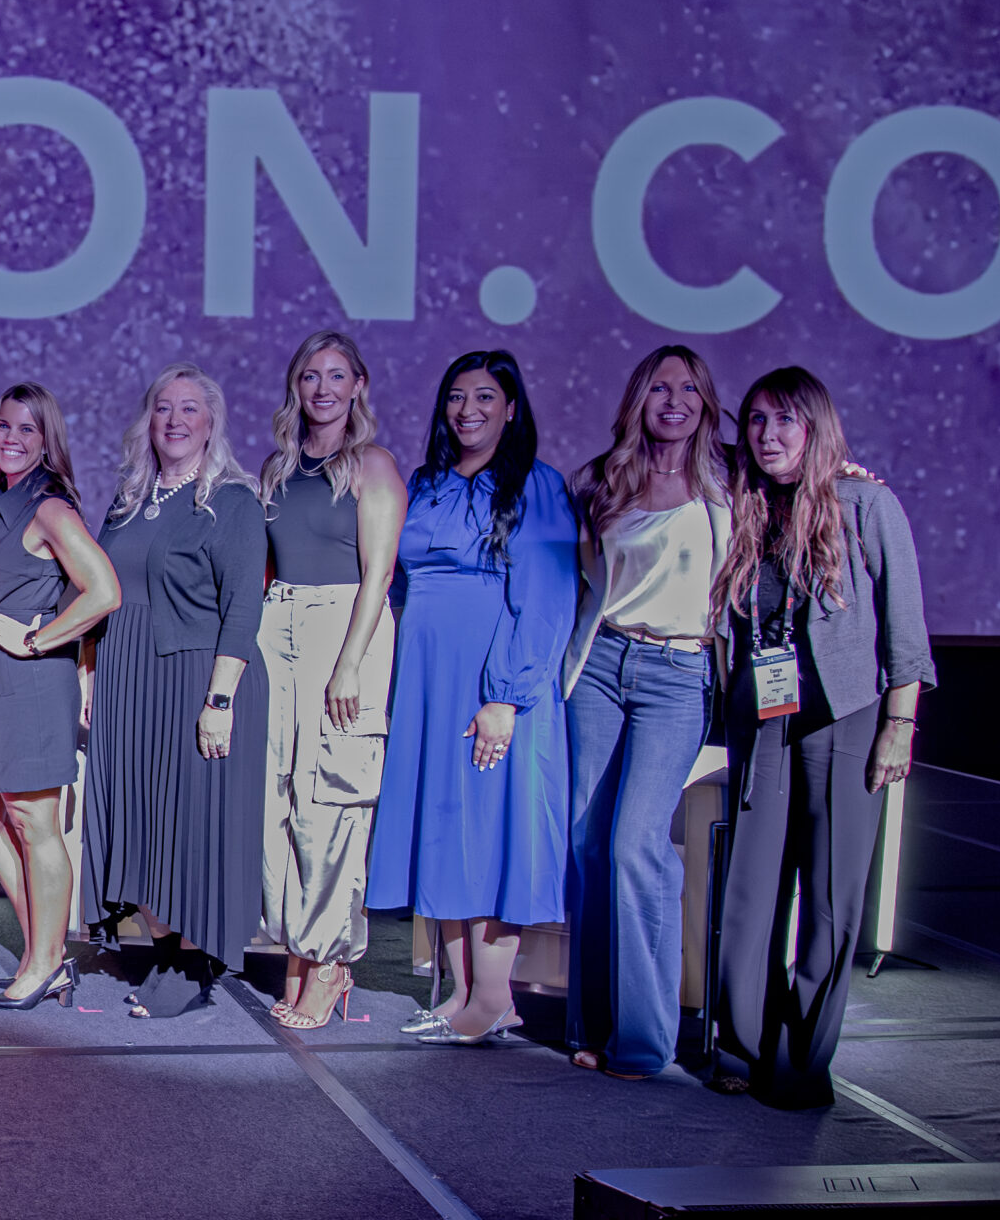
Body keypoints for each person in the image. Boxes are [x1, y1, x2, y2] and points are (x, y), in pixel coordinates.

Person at [710, 368, 932, 1109]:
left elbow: (905, 631)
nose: (769, 435)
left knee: (832, 898)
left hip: (847, 717)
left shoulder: (868, 504)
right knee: (750, 891)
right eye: (757, 421)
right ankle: (741, 1046)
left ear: (817, 428)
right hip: (764, 720)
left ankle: (802, 1061)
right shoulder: (744, 505)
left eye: (786, 421)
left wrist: (898, 726)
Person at [368, 350, 576, 1046]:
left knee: (489, 832)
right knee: (445, 825)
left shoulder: (536, 487)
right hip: (430, 680)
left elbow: (546, 599)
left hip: (491, 681)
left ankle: (493, 996)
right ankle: (460, 991)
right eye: (457, 396)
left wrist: (507, 698)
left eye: (486, 397)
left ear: (512, 408)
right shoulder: (426, 484)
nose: (469, 410)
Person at [561, 346, 734, 1080]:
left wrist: (852, 476)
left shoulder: (731, 479)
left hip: (678, 671)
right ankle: (592, 1023)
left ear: (705, 402)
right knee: (588, 846)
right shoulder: (601, 480)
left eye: (688, 388)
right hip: (601, 667)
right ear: (638, 399)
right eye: (659, 387)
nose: (673, 400)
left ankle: (643, 1038)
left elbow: (811, 483)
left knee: (637, 844)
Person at [81, 364, 267, 1018]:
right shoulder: (130, 499)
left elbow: (243, 606)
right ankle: (163, 952)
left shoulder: (233, 500)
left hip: (195, 680)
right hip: (130, 680)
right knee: (143, 824)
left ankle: (190, 964)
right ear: (147, 420)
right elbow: (98, 589)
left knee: (188, 830)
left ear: (211, 422)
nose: (176, 420)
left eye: (191, 408)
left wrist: (219, 702)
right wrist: (89, 670)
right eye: (164, 408)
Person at [256, 332, 408, 1030]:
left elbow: (379, 571)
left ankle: (329, 962)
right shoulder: (277, 468)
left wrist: (349, 661)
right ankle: (298, 948)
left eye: (336, 374)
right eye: (310, 375)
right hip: (276, 624)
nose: (322, 387)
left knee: (331, 803)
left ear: (358, 385)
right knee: (273, 804)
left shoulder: (371, 465)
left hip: (341, 627)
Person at [0, 384, 120, 1008]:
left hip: (30, 683)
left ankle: (48, 959)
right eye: (3, 425)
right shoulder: (0, 504)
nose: (12, 438)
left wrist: (36, 639)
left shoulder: (48, 506)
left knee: (35, 822)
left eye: (27, 429)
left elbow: (103, 589)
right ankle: (41, 951)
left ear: (47, 440)